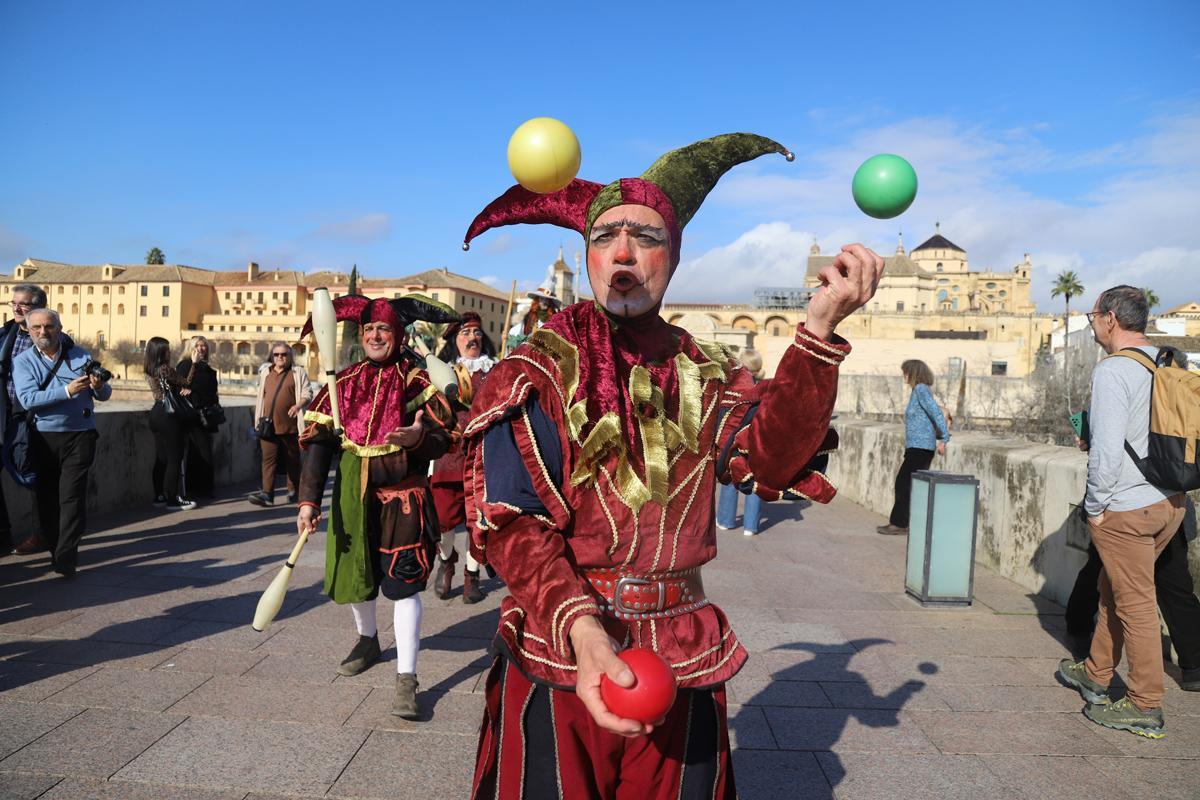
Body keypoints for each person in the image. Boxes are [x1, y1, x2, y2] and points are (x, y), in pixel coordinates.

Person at [460, 132, 883, 798]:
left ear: (673, 257)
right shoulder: (535, 368)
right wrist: (583, 632)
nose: (624, 251)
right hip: (560, 648)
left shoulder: (706, 373)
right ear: (588, 255)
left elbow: (771, 460)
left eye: (647, 237)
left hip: (681, 653)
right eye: (606, 237)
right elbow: (510, 521)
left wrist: (820, 331)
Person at [295, 293, 458, 719]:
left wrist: (419, 439)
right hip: (352, 497)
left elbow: (447, 436)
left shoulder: (417, 382)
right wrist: (308, 500)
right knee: (354, 575)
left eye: (383, 329)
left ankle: (407, 679)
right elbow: (319, 445)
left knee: (404, 586)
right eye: (368, 330)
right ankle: (368, 639)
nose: (374, 336)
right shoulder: (341, 382)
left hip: (402, 501)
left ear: (398, 334)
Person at [1056, 285, 1187, 739]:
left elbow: (1106, 452)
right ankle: (1096, 671)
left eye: (1093, 314)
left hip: (1128, 507)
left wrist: (1095, 508)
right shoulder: (1165, 363)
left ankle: (1144, 704)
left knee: (1135, 604)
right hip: (1170, 501)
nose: (1092, 322)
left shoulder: (1114, 371)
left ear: (1110, 319)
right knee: (1113, 588)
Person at [13, 308, 112, 576]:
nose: (43, 332)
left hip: (80, 435)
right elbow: (28, 399)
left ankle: (66, 556)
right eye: (37, 328)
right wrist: (67, 391)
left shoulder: (81, 355)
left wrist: (98, 385)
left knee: (72, 497)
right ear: (29, 331)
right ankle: (56, 549)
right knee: (46, 499)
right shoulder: (23, 362)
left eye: (48, 327)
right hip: (43, 437)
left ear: (59, 328)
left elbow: (104, 394)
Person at [430, 311, 497, 603]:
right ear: (454, 341)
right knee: (443, 520)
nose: (473, 338)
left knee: (478, 520)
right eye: (466, 333)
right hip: (448, 456)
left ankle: (472, 575)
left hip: (483, 456)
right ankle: (447, 560)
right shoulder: (441, 371)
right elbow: (430, 409)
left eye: (477, 333)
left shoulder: (495, 370)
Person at [876, 359, 949, 535]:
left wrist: (944, 439)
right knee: (906, 484)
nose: (904, 376)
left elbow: (936, 412)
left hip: (921, 448)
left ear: (914, 373)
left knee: (903, 483)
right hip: (916, 447)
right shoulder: (918, 391)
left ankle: (899, 523)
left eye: (906, 372)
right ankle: (903, 523)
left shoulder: (921, 390)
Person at [0, 284, 47, 556]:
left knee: (34, 478)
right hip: (5, 415)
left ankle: (41, 535)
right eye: (13, 303)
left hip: (33, 417)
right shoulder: (6, 333)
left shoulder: (50, 336)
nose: (17, 308)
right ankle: (3, 533)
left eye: (24, 304)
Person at [248, 342, 312, 507]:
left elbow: (307, 393)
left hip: (290, 426)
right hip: (267, 425)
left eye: (284, 354)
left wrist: (298, 405)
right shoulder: (265, 373)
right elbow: (260, 397)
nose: (280, 358)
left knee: (292, 460)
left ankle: (294, 491)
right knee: (268, 461)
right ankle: (267, 494)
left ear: (290, 356)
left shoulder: (297, 373)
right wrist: (258, 418)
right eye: (276, 354)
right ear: (272, 356)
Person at [144, 337, 197, 512]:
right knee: (175, 458)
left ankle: (159, 496)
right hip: (169, 415)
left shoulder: (149, 369)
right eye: (167, 350)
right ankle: (173, 499)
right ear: (160, 352)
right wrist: (194, 364)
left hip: (156, 413)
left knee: (161, 458)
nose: (170, 352)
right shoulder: (165, 369)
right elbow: (187, 382)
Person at [716, 348, 765, 535]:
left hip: (736, 439)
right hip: (758, 441)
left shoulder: (737, 386)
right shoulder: (764, 387)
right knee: (755, 481)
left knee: (731, 477)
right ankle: (751, 526)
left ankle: (726, 520)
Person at [177, 336, 220, 499]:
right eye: (198, 345)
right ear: (191, 347)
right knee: (202, 451)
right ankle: (203, 487)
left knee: (199, 452)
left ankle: (198, 487)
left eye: (204, 345)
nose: (202, 348)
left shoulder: (206, 367)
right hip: (192, 415)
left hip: (206, 414)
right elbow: (182, 387)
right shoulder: (185, 365)